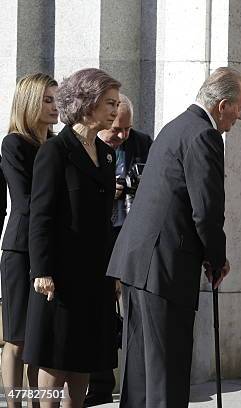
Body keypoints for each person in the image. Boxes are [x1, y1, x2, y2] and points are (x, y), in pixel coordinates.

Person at [106, 67, 241, 407]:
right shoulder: (204, 135)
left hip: (142, 264)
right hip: (165, 266)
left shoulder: (175, 126)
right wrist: (217, 257)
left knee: (140, 374)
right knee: (166, 374)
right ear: (223, 105)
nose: (240, 116)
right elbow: (206, 209)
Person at [23, 68, 121, 408]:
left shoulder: (107, 154)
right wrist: (41, 271)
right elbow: (41, 215)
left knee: (85, 358)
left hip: (95, 276)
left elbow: (105, 221)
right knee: (56, 358)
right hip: (61, 277)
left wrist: (115, 270)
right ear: (86, 102)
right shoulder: (55, 151)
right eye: (109, 103)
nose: (115, 110)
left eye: (117, 103)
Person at [84, 93, 152, 407]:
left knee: (134, 312)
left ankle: (135, 382)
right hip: (99, 238)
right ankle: (100, 383)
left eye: (127, 130)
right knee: (100, 312)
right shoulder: (86, 149)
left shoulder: (142, 144)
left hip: (132, 235)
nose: (122, 136)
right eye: (116, 130)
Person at [1, 73, 58, 408]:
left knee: (39, 338)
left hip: (49, 249)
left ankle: (36, 403)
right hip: (21, 248)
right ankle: (14, 404)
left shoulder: (57, 144)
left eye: (56, 99)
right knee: (17, 337)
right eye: (47, 100)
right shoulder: (14, 144)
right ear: (29, 102)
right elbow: (22, 201)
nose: (54, 107)